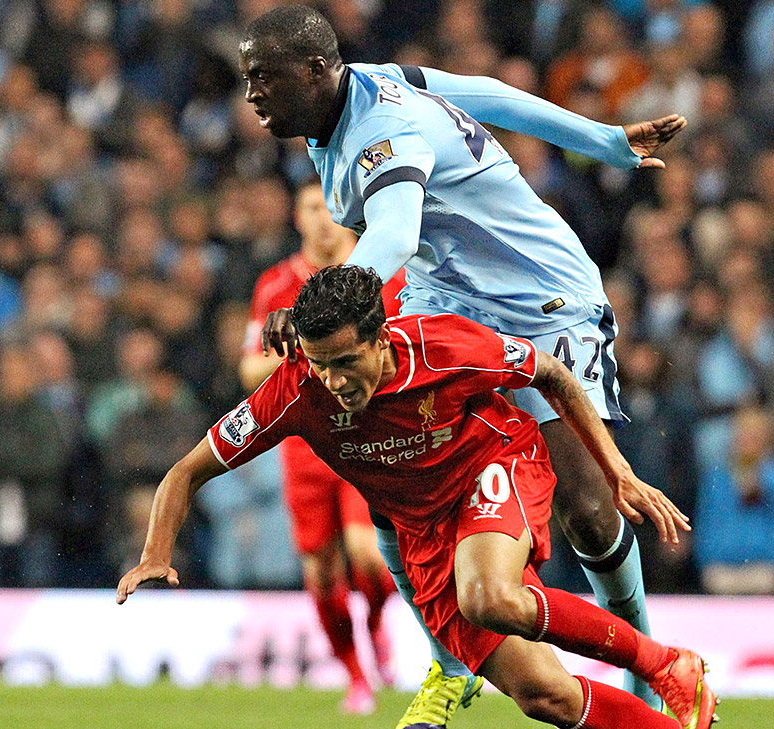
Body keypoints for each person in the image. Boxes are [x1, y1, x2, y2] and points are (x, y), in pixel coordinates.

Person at [239, 5, 686, 721]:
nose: (252, 93)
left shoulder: (379, 133)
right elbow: (486, 94)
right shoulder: (373, 87)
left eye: (264, 77)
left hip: (541, 296)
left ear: (315, 70)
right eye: (246, 78)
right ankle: (449, 667)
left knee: (589, 512)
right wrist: (601, 139)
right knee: (386, 479)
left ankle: (642, 655)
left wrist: (322, 295)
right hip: (446, 297)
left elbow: (394, 229)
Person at [118, 265, 717, 729]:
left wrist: (617, 471)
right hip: (425, 533)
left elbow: (553, 375)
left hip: (496, 462)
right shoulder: (297, 391)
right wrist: (155, 551)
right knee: (544, 696)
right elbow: (185, 472)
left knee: (488, 596)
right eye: (321, 365)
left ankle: (665, 663)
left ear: (381, 339)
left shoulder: (442, 347)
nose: (334, 381)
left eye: (347, 362)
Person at [239, 178, 400, 713]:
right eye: (313, 206)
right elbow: (249, 368)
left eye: (333, 207)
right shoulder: (276, 284)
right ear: (297, 216)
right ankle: (356, 676)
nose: (325, 218)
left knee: (366, 556)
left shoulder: (380, 275)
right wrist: (313, 358)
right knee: (321, 571)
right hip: (303, 445)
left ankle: (376, 624)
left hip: (364, 435)